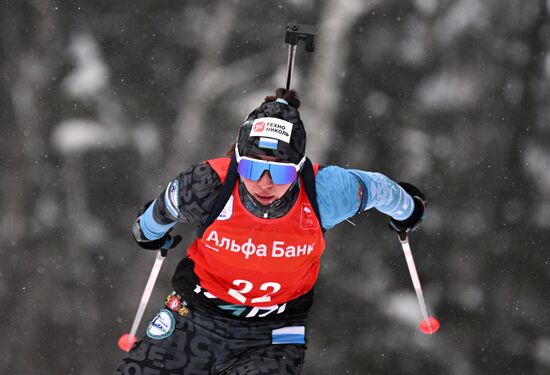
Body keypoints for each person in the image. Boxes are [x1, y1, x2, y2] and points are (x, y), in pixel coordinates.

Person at [113, 88, 426, 375]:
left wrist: (408, 210)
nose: (264, 182)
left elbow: (379, 190)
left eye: (279, 171)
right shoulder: (206, 185)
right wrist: (149, 233)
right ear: (237, 159)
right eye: (251, 167)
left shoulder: (326, 192)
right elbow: (158, 214)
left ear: (299, 167)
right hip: (193, 317)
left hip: (273, 335)